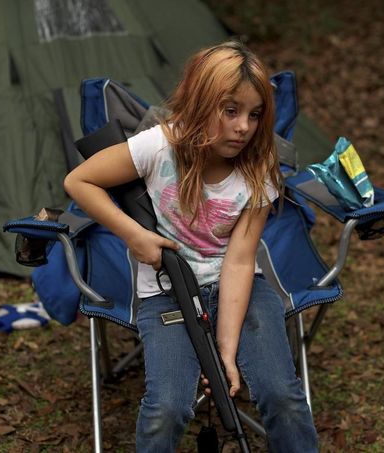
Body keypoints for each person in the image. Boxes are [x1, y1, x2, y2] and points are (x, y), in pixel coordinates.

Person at [64, 40, 318, 452]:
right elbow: (79, 181)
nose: (243, 128)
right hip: (166, 294)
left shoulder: (259, 167)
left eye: (254, 115)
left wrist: (225, 349)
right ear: (200, 103)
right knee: (167, 408)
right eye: (230, 111)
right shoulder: (157, 146)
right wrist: (134, 234)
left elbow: (238, 261)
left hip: (242, 291)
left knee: (282, 396)